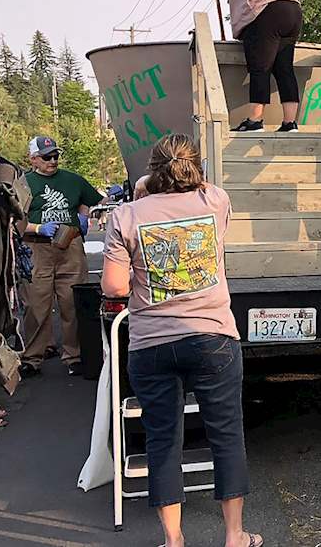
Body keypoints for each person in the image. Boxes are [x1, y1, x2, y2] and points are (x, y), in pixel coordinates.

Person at [102, 134, 260, 547]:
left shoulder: (125, 216)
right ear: (195, 167)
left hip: (151, 341)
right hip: (212, 337)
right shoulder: (215, 202)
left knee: (162, 439)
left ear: (151, 171)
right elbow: (201, 186)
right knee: (225, 434)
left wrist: (141, 191)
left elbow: (115, 287)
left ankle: (174, 540)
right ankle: (234, 535)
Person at [20, 136, 103, 378]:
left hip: (70, 244)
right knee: (37, 304)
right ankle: (33, 356)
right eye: (47, 156)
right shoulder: (24, 184)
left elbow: (90, 199)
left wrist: (84, 216)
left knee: (71, 303)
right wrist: (37, 228)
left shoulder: (72, 179)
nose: (53, 160)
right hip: (37, 247)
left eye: (56, 155)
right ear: (33, 159)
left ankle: (74, 355)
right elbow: (15, 221)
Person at [211, 0, 303, 133]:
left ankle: (254, 121)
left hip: (266, 8)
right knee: (284, 69)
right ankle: (290, 123)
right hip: (292, 9)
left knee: (260, 68)